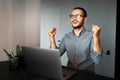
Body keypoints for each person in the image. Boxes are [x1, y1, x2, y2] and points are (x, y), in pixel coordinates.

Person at [48, 7, 102, 72]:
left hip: (87, 74)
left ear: (85, 19)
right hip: (70, 72)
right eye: (72, 16)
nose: (74, 18)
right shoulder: (66, 36)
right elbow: (54, 56)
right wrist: (52, 37)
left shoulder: (92, 36)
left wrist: (96, 36)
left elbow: (97, 60)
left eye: (78, 16)